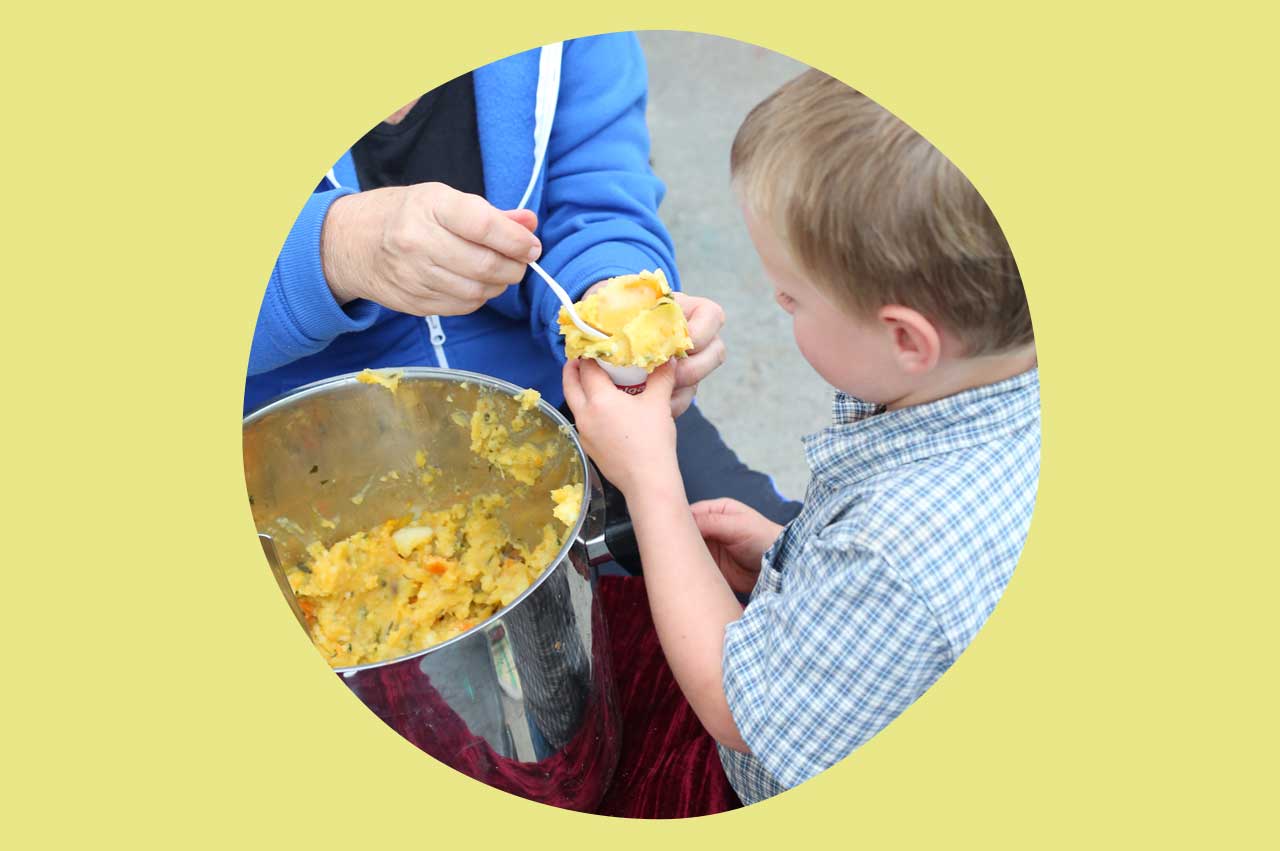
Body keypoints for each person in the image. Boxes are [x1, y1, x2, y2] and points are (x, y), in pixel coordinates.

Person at [563, 69, 1040, 806]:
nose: (774, 306)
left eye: (790, 297)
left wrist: (650, 474)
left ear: (907, 338)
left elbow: (735, 706)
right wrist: (799, 561)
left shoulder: (892, 549)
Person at [245, 32, 799, 527]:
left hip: (564, 395)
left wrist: (613, 309)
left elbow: (594, 196)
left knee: (777, 559)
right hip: (306, 462)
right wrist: (331, 251)